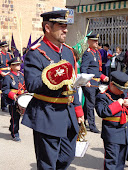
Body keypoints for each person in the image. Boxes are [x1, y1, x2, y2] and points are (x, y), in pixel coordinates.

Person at [21, 10, 84, 170]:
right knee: (47, 164)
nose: (66, 30)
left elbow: (71, 84)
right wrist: (53, 77)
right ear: (47, 28)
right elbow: (32, 84)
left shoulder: (68, 52)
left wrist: (78, 110)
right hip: (47, 113)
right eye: (61, 26)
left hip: (68, 114)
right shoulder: (36, 53)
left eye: (66, 26)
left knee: (67, 157)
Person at [95, 71, 128, 170]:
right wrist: (118, 104)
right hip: (112, 134)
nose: (122, 91)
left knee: (120, 163)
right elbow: (102, 112)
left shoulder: (123, 94)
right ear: (112, 84)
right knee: (111, 162)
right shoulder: (103, 96)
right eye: (120, 89)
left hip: (124, 133)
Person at [80, 34, 109, 133]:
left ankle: (82, 120)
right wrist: (86, 81)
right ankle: (92, 126)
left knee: (89, 103)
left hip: (96, 83)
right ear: (89, 42)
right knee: (90, 104)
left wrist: (103, 77)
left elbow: (96, 70)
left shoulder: (96, 53)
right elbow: (83, 68)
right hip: (90, 83)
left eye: (97, 41)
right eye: (94, 41)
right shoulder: (88, 54)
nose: (96, 42)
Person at [2, 57, 25, 141]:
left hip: (21, 98)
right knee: (15, 117)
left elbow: (25, 87)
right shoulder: (8, 77)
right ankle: (15, 134)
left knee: (17, 117)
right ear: (11, 66)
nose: (19, 66)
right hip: (13, 100)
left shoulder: (22, 76)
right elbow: (5, 90)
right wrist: (13, 95)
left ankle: (12, 128)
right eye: (16, 65)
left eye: (19, 64)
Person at [0, 41, 13, 112]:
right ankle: (4, 105)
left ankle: (9, 104)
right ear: (1, 47)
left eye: (7, 46)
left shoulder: (10, 54)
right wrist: (1, 73)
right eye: (5, 46)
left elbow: (12, 64)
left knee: (10, 89)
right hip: (2, 74)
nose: (6, 48)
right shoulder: (0, 55)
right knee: (3, 90)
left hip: (9, 73)